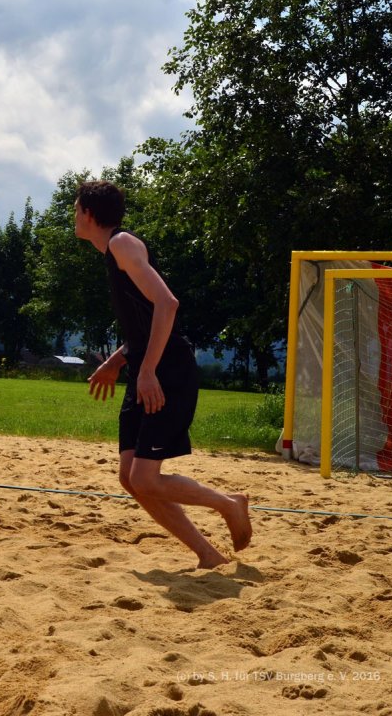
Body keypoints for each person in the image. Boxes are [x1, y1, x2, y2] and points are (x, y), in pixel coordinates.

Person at [76, 180, 251, 568]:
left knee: (146, 479)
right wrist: (117, 361)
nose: (74, 217)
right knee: (130, 478)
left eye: (76, 210)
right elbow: (144, 324)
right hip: (146, 367)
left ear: (88, 214)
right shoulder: (115, 251)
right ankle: (208, 554)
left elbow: (167, 305)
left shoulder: (122, 244)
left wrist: (149, 370)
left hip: (166, 370)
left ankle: (230, 504)